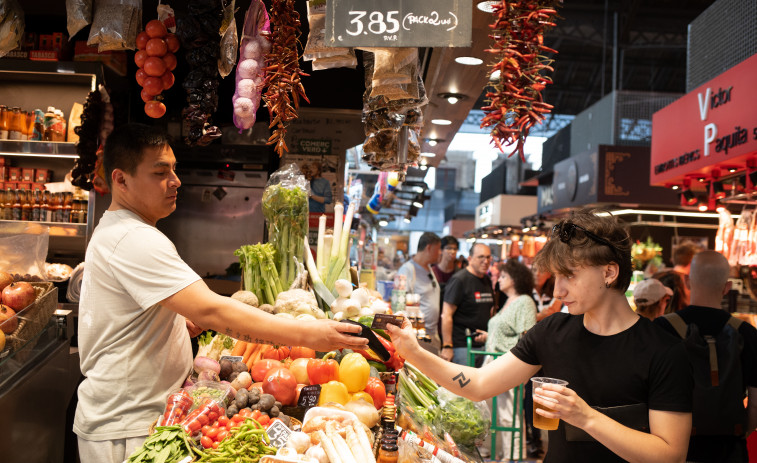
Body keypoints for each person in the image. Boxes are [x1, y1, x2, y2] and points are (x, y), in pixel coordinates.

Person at [73, 124, 367, 463]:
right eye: (160, 172)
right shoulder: (133, 239)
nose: (175, 180)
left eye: (174, 168)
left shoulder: (124, 231)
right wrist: (311, 333)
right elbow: (213, 311)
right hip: (126, 428)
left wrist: (170, 325)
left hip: (138, 417)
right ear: (121, 180)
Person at [387, 209, 693, 462]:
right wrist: (413, 351)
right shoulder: (552, 332)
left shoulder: (664, 351)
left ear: (609, 272)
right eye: (555, 277)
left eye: (569, 276)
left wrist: (585, 417)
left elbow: (671, 454)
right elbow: (479, 385)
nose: (558, 290)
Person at [655, 251, 757, 462]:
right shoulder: (747, 332)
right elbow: (756, 403)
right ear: (727, 287)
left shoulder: (662, 328)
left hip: (676, 450)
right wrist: (739, 433)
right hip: (731, 451)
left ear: (688, 281)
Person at [474, 259, 537, 460]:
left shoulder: (524, 302)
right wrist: (488, 335)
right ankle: (491, 452)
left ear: (515, 278)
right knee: (489, 412)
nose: (498, 279)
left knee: (508, 413)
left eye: (503, 276)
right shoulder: (507, 302)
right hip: (492, 362)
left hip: (508, 364)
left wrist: (525, 370)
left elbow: (528, 336)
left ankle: (512, 457)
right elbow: (507, 331)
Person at [440, 243, 496, 366]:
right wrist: (447, 346)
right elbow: (446, 315)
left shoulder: (486, 280)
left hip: (484, 345)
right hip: (462, 346)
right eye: (481, 257)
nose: (485, 261)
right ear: (470, 259)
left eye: (488, 257)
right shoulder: (460, 280)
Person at [396, 232, 442, 354]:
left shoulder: (429, 268)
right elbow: (400, 303)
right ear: (429, 248)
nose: (440, 253)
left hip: (432, 334)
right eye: (438, 249)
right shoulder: (407, 269)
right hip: (418, 337)